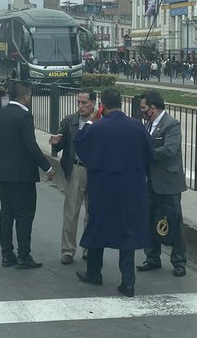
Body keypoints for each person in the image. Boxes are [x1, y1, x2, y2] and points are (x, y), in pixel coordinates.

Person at [73, 89, 151, 297]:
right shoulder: (136, 126)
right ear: (121, 104)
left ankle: (94, 272)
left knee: (98, 227)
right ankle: (128, 282)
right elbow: (148, 153)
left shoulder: (97, 127)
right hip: (131, 188)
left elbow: (80, 145)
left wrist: (90, 121)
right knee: (128, 232)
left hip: (104, 188)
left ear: (102, 106)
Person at [0, 81, 54, 268]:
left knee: (6, 212)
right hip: (22, 173)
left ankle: (6, 253)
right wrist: (47, 167)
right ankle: (23, 255)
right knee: (25, 214)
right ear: (26, 97)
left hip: (2, 170)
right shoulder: (25, 116)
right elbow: (30, 145)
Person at [137, 90, 188, 277]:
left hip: (168, 182)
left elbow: (169, 150)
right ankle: (152, 257)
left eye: (144, 108)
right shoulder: (147, 124)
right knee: (149, 219)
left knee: (174, 221)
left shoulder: (171, 124)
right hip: (149, 181)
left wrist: (144, 154)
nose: (142, 111)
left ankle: (179, 261)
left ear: (153, 107)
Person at [50, 89, 99, 265]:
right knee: (71, 212)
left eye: (84, 102)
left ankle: (89, 247)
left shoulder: (100, 121)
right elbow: (62, 139)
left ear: (93, 102)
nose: (80, 106)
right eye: (78, 102)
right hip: (76, 168)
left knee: (92, 213)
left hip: (96, 171)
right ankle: (68, 250)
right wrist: (57, 141)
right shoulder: (71, 120)